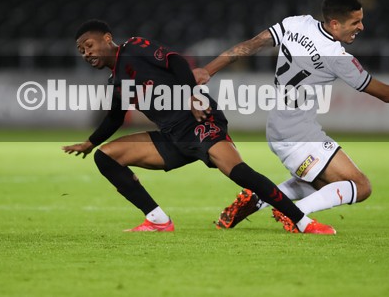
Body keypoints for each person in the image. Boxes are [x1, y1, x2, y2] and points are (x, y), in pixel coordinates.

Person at [194, 0, 389, 231]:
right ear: (335, 23)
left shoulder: (294, 23)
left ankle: (259, 198)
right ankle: (294, 213)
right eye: (355, 22)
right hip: (298, 132)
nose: (361, 27)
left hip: (278, 126)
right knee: (360, 187)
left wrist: (208, 70)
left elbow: (250, 45)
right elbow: (386, 93)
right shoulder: (337, 57)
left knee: (321, 182)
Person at [62, 19, 336, 234]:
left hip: (198, 120)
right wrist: (90, 142)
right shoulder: (116, 81)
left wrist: (191, 97)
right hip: (172, 137)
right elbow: (115, 117)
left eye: (89, 45)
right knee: (106, 157)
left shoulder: (133, 48)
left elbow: (176, 61)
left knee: (240, 173)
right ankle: (158, 220)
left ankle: (302, 222)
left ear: (107, 39)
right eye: (81, 50)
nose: (86, 53)